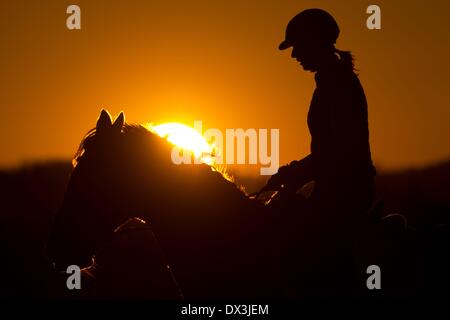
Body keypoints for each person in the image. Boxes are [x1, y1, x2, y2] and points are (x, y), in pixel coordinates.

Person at [268, 8, 376, 297]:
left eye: (298, 47)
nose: (294, 56)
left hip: (345, 193)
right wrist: (296, 171)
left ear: (316, 41)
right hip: (334, 189)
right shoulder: (331, 81)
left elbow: (337, 151)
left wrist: (295, 171)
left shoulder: (337, 84)